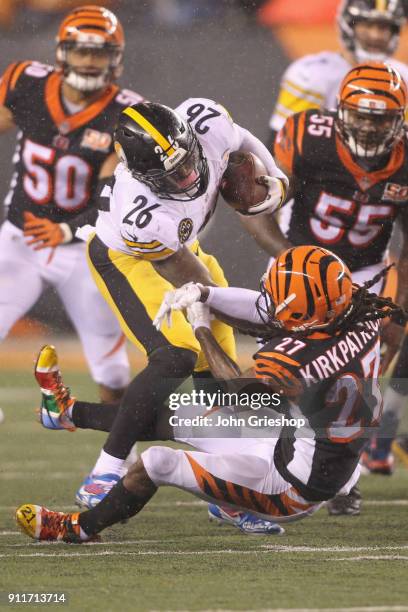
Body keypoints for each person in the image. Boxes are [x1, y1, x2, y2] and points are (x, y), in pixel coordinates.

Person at [15, 244, 406, 543]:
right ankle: (65, 411)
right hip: (309, 440)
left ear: (307, 314)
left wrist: (201, 325)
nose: (273, 308)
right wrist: (205, 294)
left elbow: (235, 388)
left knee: (158, 463)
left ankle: (78, 529)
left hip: (293, 486)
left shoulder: (301, 359)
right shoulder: (356, 307)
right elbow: (264, 308)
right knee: (187, 412)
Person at [33, 97, 289, 534]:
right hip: (131, 258)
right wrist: (252, 320)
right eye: (171, 175)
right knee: (177, 356)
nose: (188, 177)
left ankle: (222, 493)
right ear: (142, 174)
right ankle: (107, 469)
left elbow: (242, 138)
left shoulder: (204, 122)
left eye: (187, 163)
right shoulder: (142, 212)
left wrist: (276, 180)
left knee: (222, 391)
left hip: (186, 252)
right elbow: (190, 281)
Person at [252, 61, 408, 512]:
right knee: (286, 371)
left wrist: (398, 310)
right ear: (339, 110)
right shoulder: (306, 137)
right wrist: (287, 259)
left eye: (381, 117)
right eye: (360, 114)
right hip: (298, 266)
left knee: (359, 382)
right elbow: (256, 207)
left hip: (364, 276)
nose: (369, 125)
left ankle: (344, 478)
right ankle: (270, 462)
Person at [0, 5, 146, 403]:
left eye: (98, 52)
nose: (88, 60)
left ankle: (118, 458)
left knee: (112, 372)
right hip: (20, 237)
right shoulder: (25, 83)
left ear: (114, 59)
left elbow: (113, 198)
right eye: (81, 50)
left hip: (83, 247)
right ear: (62, 52)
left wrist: (66, 228)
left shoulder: (125, 115)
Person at [268, 0, 408, 148]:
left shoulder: (403, 78)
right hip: (322, 166)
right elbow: (284, 144)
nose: (376, 35)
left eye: (384, 27)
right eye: (367, 25)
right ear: (349, 25)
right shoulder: (312, 73)